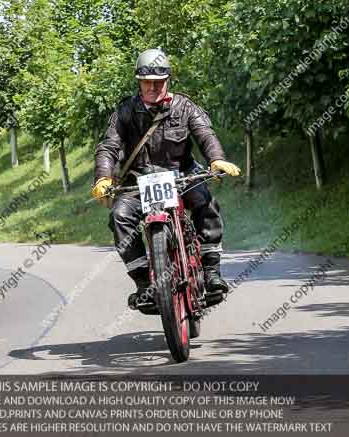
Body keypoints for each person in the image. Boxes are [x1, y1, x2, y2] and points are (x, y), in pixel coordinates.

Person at [91, 49, 241, 311]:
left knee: (206, 204)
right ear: (138, 81)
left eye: (158, 82)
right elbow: (109, 146)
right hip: (138, 182)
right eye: (146, 81)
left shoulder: (185, 106)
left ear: (168, 80)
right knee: (119, 216)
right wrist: (103, 178)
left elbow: (204, 134)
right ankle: (143, 285)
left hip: (182, 177)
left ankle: (212, 272)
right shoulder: (125, 111)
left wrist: (216, 159)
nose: (152, 87)